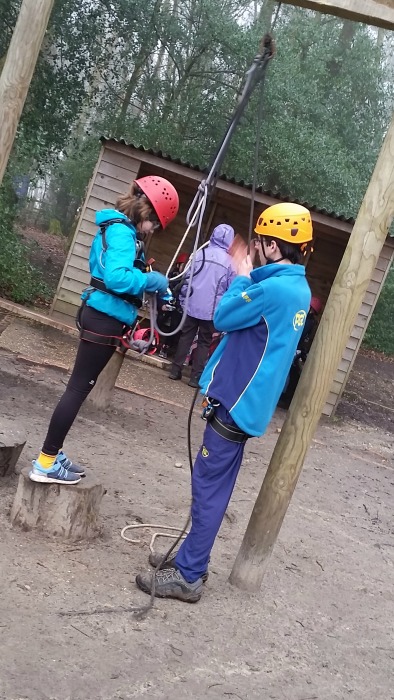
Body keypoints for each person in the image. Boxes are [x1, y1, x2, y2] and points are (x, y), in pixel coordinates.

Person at [136, 202, 313, 602]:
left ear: (272, 245)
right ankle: (190, 558)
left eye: (259, 243)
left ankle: (188, 573)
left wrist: (243, 275)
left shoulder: (270, 287)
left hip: (236, 400)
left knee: (208, 487)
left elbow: (222, 316)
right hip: (247, 402)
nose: (253, 247)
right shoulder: (298, 287)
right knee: (215, 485)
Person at [29, 176, 179, 485]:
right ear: (147, 211)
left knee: (79, 386)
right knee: (77, 388)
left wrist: (153, 286)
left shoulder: (118, 230)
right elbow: (117, 279)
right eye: (155, 224)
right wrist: (155, 282)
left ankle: (52, 455)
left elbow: (124, 274)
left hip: (104, 315)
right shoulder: (123, 233)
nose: (152, 231)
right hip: (104, 318)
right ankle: (45, 462)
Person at [168, 223, 235, 388]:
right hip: (212, 310)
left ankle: (175, 370)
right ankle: (195, 377)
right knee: (204, 342)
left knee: (186, 336)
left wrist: (183, 299)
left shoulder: (200, 254)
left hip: (192, 304)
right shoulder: (230, 263)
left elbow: (187, 277)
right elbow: (232, 287)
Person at [278, 295, 322, 409]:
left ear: (311, 309)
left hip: (294, 349)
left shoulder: (307, 321)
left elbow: (298, 335)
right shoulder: (310, 321)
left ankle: (282, 395)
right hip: (297, 349)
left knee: (285, 371)